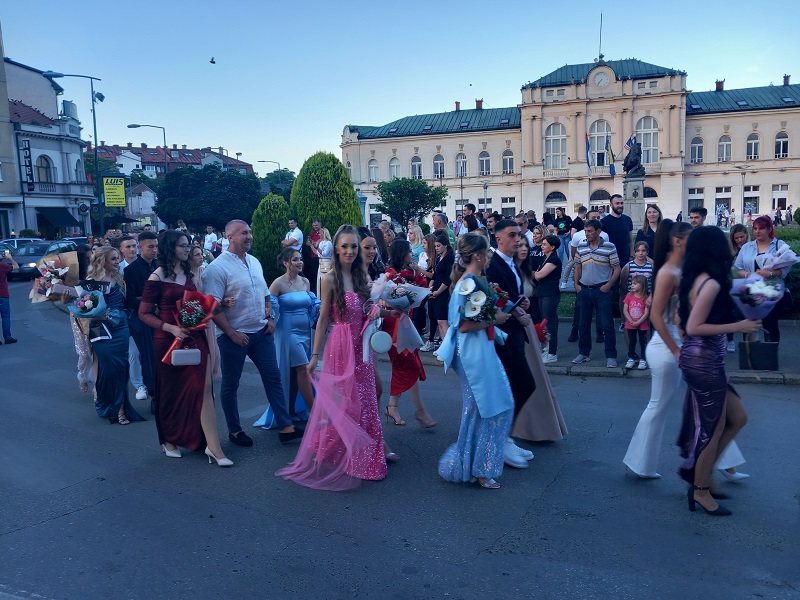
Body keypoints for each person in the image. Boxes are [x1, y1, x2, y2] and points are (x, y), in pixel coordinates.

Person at [277, 225, 395, 490]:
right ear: (336, 248)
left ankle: (364, 456)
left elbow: (368, 311)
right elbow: (323, 320)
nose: (350, 251)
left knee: (364, 402)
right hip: (341, 345)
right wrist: (314, 356)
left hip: (363, 345)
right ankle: (344, 451)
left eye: (354, 246)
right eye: (345, 246)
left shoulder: (362, 275)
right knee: (351, 404)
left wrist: (391, 312)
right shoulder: (329, 279)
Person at [677, 226, 760, 516]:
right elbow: (693, 326)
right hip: (705, 360)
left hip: (705, 358)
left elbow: (680, 318)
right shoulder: (709, 283)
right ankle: (700, 489)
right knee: (711, 429)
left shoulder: (695, 279)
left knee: (737, 417)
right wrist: (739, 326)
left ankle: (702, 472)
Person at [203, 220, 301, 446]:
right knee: (231, 384)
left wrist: (269, 317)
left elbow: (265, 292)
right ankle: (235, 431)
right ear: (230, 237)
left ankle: (286, 426)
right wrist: (231, 333)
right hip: (234, 337)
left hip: (260, 332)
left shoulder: (254, 261)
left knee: (273, 378)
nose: (250, 236)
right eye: (243, 233)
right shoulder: (216, 268)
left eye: (250, 232)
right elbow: (212, 306)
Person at [138, 231, 231, 465]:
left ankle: (214, 447)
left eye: (188, 245)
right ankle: (168, 438)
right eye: (182, 246)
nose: (187, 249)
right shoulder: (156, 277)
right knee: (170, 391)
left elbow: (195, 302)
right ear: (171, 247)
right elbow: (144, 313)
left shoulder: (190, 273)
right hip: (167, 338)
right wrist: (170, 328)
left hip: (194, 334)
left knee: (204, 387)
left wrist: (208, 310)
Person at [436, 233, 515, 489]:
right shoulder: (470, 283)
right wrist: (497, 319)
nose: (490, 256)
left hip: (478, 349)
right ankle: (477, 467)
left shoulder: (473, 280)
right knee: (485, 407)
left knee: (488, 406)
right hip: (472, 352)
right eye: (487, 251)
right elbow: (468, 325)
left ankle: (473, 465)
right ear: (478, 255)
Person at [623, 220, 688, 478]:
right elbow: (659, 317)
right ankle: (640, 463)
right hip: (666, 347)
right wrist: (677, 349)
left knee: (707, 401)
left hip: (674, 345)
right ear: (678, 241)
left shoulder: (675, 270)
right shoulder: (669, 272)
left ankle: (723, 462)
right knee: (658, 406)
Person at [486, 219, 536, 469]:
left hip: (514, 333)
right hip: (503, 336)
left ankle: (504, 436)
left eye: (519, 234)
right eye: (512, 235)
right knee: (522, 384)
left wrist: (520, 303)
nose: (518, 239)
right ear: (499, 239)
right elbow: (493, 301)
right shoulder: (494, 266)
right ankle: (501, 438)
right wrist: (516, 309)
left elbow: (508, 296)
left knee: (519, 386)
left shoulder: (511, 263)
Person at [254, 247, 318, 431]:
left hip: (305, 331)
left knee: (295, 373)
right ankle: (314, 411)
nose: (300, 262)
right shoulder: (278, 283)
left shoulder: (305, 281)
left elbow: (312, 306)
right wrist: (270, 320)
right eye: (296, 260)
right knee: (303, 369)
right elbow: (269, 306)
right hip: (288, 331)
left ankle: (290, 409)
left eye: (301, 259)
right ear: (286, 263)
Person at [83, 246, 145, 425]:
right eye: (113, 259)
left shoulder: (120, 278)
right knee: (108, 368)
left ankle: (121, 407)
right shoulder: (91, 281)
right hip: (98, 328)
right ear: (102, 261)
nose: (118, 261)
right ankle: (105, 402)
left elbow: (127, 302)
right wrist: (94, 314)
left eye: (118, 258)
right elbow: (83, 308)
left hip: (120, 326)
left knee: (121, 366)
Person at [382, 239, 436, 429]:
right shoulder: (390, 275)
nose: (411, 254)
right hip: (393, 324)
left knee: (405, 364)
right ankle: (415, 410)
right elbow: (383, 298)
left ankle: (395, 407)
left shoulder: (410, 273)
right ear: (401, 253)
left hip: (406, 324)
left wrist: (424, 290)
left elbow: (422, 288)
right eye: (408, 251)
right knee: (407, 364)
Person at [733, 215, 792, 344]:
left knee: (770, 324)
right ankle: (749, 354)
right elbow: (737, 268)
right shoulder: (747, 247)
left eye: (761, 228)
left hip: (773, 290)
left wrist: (769, 273)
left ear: (769, 229)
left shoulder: (779, 245)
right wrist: (748, 275)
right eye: (755, 228)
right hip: (750, 289)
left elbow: (787, 269)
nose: (757, 231)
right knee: (749, 324)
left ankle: (770, 354)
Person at [572, 219, 620, 367]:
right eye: (585, 231)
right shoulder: (582, 246)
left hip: (602, 289)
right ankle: (583, 352)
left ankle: (611, 355)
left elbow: (617, 268)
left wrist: (609, 285)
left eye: (589, 231)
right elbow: (578, 267)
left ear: (598, 231)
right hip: (585, 289)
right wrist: (576, 284)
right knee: (583, 324)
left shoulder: (609, 247)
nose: (586, 234)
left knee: (607, 324)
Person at [124, 231, 159, 407]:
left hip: (163, 317)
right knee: (148, 356)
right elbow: (129, 298)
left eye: (156, 246)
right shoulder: (131, 270)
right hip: (143, 320)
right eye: (150, 247)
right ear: (141, 247)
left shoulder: (160, 265)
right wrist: (148, 304)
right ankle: (153, 393)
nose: (154, 250)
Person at [66, 244, 93, 391]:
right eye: (88, 257)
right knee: (83, 350)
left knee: (96, 349)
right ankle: (82, 376)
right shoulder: (73, 272)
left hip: (95, 313)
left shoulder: (96, 270)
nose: (91, 259)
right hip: (78, 313)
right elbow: (67, 296)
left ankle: (96, 381)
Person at [533, 235, 562, 364]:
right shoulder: (546, 258)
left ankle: (552, 353)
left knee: (549, 323)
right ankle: (548, 348)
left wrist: (531, 272)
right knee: (544, 323)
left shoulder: (554, 260)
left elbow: (539, 275)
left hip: (550, 294)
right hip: (542, 293)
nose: (542, 246)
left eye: (545, 244)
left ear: (552, 247)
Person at [429, 234, 455, 358]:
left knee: (443, 321)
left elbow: (448, 277)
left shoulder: (449, 258)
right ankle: (444, 348)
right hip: (436, 291)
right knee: (439, 321)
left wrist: (438, 291)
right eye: (435, 246)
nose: (437, 248)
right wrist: (431, 285)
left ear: (445, 245)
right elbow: (435, 275)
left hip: (443, 292)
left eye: (439, 246)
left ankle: (447, 350)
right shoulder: (439, 258)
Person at [623, 275, 650, 370]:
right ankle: (631, 357)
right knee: (632, 341)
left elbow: (646, 313)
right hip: (630, 324)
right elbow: (625, 310)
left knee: (643, 342)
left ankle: (643, 359)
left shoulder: (645, 298)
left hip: (642, 324)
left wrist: (639, 322)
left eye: (635, 283)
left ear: (642, 285)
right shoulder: (629, 296)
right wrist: (630, 320)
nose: (632, 285)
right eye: (631, 283)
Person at [418, 233, 438, 351]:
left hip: (432, 285)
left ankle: (432, 339)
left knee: (432, 312)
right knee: (420, 308)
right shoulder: (424, 255)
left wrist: (419, 269)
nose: (423, 245)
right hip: (424, 284)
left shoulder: (435, 258)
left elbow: (432, 275)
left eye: (425, 243)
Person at [515, 234, 540, 325]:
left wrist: (527, 302)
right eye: (520, 246)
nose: (524, 249)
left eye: (526, 246)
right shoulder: (508, 271)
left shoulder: (526, 269)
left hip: (527, 317)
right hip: (512, 319)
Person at [0, 248, 19, 345]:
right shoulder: (2, 266)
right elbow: (16, 267)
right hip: (3, 295)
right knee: (5, 316)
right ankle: (7, 337)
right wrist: (10, 258)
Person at [305, 219, 323, 295]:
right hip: (313, 256)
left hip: (321, 257)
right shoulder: (312, 233)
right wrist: (313, 243)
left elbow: (319, 242)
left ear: (320, 225)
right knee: (314, 274)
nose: (315, 227)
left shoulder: (323, 232)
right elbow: (307, 243)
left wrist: (313, 243)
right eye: (313, 225)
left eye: (316, 225)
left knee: (321, 274)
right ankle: (316, 291)